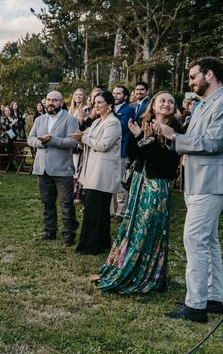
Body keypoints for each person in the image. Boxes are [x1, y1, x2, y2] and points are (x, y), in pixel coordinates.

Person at [155, 58, 223, 323]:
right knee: (209, 241)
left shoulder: (220, 103)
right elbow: (192, 142)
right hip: (196, 181)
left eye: (194, 76)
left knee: (194, 239)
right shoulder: (203, 104)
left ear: (210, 74)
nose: (190, 81)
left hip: (210, 182)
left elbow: (214, 142)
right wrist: (172, 141)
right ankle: (215, 297)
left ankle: (195, 306)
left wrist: (175, 137)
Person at [95, 91, 183, 293]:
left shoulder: (176, 129)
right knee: (133, 223)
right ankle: (124, 265)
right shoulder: (144, 123)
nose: (166, 104)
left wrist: (147, 140)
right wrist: (138, 137)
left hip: (157, 183)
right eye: (162, 100)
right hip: (139, 182)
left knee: (148, 225)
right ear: (153, 105)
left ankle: (147, 272)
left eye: (171, 101)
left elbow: (166, 160)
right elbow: (133, 153)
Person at [71, 90, 121, 255]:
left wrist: (83, 138)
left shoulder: (113, 123)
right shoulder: (97, 122)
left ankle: (91, 245)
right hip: (92, 169)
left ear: (110, 105)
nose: (96, 105)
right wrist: (81, 137)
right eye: (95, 102)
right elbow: (90, 138)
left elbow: (104, 144)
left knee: (97, 209)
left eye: (100, 102)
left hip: (103, 171)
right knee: (95, 208)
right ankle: (101, 242)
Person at [28, 91, 80, 246]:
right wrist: (42, 142)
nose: (51, 102)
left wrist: (53, 140)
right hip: (43, 168)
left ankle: (69, 234)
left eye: (55, 100)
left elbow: (72, 142)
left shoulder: (70, 120)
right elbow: (30, 139)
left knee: (66, 203)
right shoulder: (39, 120)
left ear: (61, 102)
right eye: (48, 100)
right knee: (47, 202)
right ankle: (49, 230)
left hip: (62, 169)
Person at [111, 85, 136, 223]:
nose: (115, 95)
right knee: (111, 182)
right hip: (110, 151)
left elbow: (120, 127)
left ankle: (121, 212)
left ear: (125, 96)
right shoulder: (111, 109)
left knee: (121, 182)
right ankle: (112, 210)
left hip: (122, 150)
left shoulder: (129, 110)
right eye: (113, 93)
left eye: (118, 93)